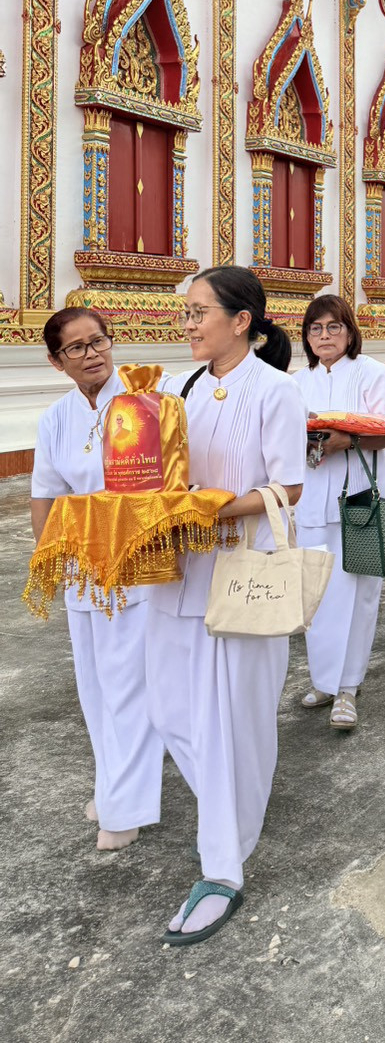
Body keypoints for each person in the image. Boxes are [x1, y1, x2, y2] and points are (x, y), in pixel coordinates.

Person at [148, 266, 305, 946]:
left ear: (242, 320)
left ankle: (223, 870)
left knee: (234, 717)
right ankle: (228, 816)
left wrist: (207, 510)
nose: (187, 324)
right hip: (179, 568)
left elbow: (288, 485)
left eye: (198, 312)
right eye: (185, 313)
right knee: (171, 708)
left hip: (243, 570)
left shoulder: (277, 390)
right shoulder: (179, 387)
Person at [30, 308, 164, 853]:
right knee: (94, 687)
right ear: (56, 361)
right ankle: (112, 785)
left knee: (130, 686)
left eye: (99, 341)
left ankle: (126, 808)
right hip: (82, 569)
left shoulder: (144, 402)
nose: (93, 354)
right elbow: (45, 493)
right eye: (77, 348)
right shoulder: (56, 417)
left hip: (134, 564)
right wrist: (50, 560)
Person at [294, 295, 385, 731]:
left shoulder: (373, 373)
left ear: (349, 331)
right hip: (311, 495)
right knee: (316, 590)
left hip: (362, 497)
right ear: (306, 336)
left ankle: (348, 688)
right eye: (316, 329)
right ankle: (323, 679)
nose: (325, 336)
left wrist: (348, 439)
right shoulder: (294, 382)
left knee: (359, 593)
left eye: (333, 327)